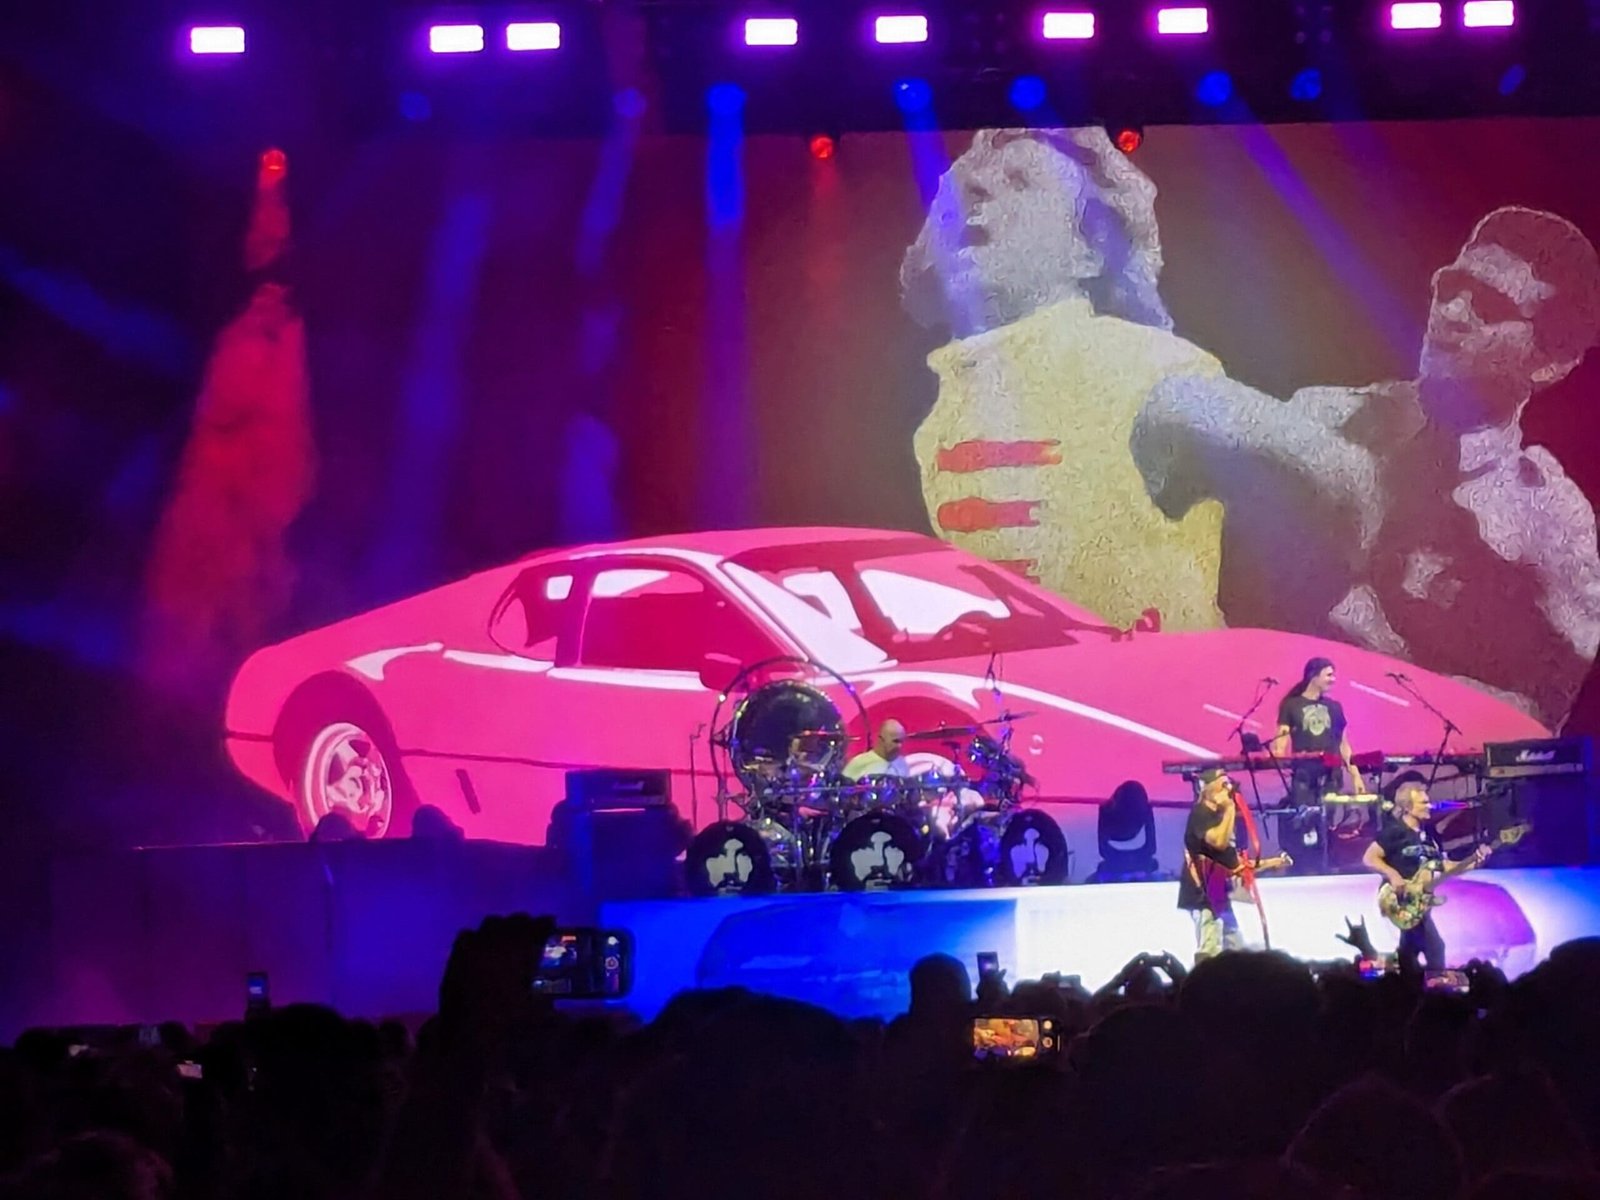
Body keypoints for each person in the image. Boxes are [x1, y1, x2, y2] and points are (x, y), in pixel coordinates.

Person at [1132, 206, 1600, 727]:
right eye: (1451, 286)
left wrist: (1392, 667)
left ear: (1550, 362)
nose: (1451, 312)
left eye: (1489, 306)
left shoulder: (1548, 518)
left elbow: (1552, 713)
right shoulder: (1324, 418)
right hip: (1240, 729)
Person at [901, 127, 1229, 632]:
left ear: (1090, 250)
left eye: (1021, 181)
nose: (979, 190)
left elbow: (1305, 476)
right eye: (968, 187)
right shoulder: (945, 411)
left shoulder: (1151, 371)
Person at [1362, 780, 1492, 972]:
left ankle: (1405, 982)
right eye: (1423, 803)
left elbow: (1445, 866)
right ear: (1407, 807)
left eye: (1428, 802)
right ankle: (1435, 985)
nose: (1429, 806)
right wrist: (1393, 875)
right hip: (1401, 900)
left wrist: (1474, 862)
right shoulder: (1395, 831)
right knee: (1435, 948)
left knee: (1409, 950)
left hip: (1420, 903)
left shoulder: (1429, 836)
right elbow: (1369, 858)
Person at [1177, 768, 1290, 959]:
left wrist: (1274, 862)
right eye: (1223, 784)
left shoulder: (1220, 819)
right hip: (1203, 896)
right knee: (1210, 947)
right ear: (1206, 788)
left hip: (1218, 894)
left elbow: (1236, 864)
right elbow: (1218, 842)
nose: (1227, 789)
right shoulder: (1200, 814)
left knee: (1236, 947)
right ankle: (1205, 976)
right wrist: (1229, 808)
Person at [1272, 657, 1366, 861]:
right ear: (1313, 676)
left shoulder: (1335, 707)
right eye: (1329, 675)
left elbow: (1344, 744)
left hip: (1331, 775)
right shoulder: (1291, 705)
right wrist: (1277, 755)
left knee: (1326, 822)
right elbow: (1281, 739)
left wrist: (1355, 775)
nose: (1333, 679)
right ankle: (1304, 862)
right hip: (1304, 775)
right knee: (1304, 821)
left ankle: (1324, 860)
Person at [842, 720, 913, 780]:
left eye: (902, 741)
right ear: (881, 740)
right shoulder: (859, 763)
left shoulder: (903, 764)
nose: (899, 746)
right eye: (895, 741)